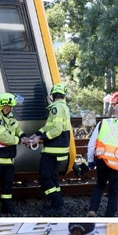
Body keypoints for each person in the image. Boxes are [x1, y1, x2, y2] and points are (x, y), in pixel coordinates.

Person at [86, 103, 118, 217]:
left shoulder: (102, 123)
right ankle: (109, 217)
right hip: (117, 165)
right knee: (113, 193)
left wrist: (90, 160)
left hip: (102, 160)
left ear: (113, 112)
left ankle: (92, 210)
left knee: (99, 186)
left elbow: (91, 144)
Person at [32, 83, 72, 216]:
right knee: (53, 178)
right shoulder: (62, 107)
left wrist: (41, 139)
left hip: (53, 150)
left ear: (52, 96)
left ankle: (57, 204)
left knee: (44, 177)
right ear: (64, 95)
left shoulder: (56, 108)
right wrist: (37, 134)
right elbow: (49, 125)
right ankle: (57, 203)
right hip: (59, 149)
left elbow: (56, 130)